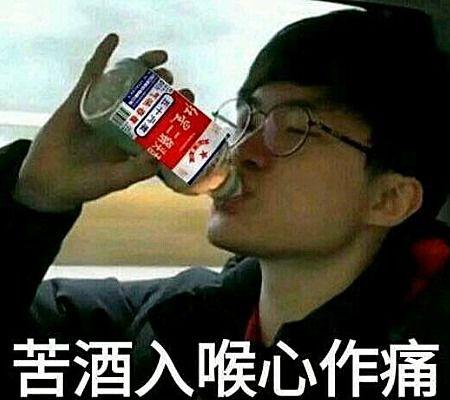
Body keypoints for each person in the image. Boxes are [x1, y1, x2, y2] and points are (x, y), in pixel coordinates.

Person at [3, 1, 450, 399]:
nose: (244, 150)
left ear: (390, 198)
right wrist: (35, 200)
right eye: (247, 119)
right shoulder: (177, 316)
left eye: (295, 130)